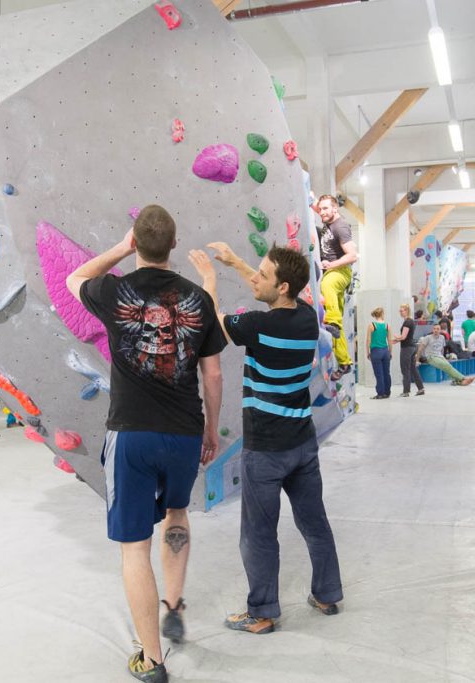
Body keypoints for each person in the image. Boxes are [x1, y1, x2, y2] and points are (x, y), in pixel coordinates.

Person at [66, 205, 225, 683]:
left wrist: (119, 248)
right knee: (176, 515)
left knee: (134, 547)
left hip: (131, 434)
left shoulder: (115, 291)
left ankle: (152, 661)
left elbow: (75, 277)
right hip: (183, 432)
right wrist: (211, 429)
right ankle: (173, 602)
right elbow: (213, 374)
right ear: (174, 245)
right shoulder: (198, 299)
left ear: (137, 243)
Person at [188, 241, 342, 635]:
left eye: (264, 274)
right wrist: (236, 261)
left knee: (258, 533)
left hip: (266, 450)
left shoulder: (259, 326)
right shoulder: (306, 317)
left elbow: (213, 320)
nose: (256, 280)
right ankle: (327, 594)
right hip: (303, 445)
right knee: (315, 523)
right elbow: (265, 288)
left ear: (284, 287)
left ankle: (262, 613)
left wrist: (210, 277)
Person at [315, 194, 358, 380]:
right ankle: (345, 362)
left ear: (335, 209)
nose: (322, 212)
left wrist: (331, 265)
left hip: (340, 272)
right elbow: (316, 206)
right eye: (320, 209)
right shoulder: (327, 220)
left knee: (327, 284)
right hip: (334, 271)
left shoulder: (340, 227)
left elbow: (352, 255)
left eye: (326, 209)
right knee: (336, 327)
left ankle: (332, 322)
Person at [394, 304, 424, 397]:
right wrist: (396, 340)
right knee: (413, 368)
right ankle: (421, 388)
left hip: (407, 348)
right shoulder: (410, 321)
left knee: (405, 369)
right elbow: (406, 337)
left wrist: (395, 338)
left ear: (407, 311)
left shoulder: (407, 322)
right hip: (411, 347)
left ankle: (406, 391)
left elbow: (403, 336)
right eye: (400, 310)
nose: (400, 312)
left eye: (402, 310)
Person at [366, 307, 392, 399]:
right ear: (382, 314)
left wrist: (367, 352)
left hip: (376, 351)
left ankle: (380, 393)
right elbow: (389, 340)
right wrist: (390, 352)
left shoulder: (372, 325)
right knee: (386, 373)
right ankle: (387, 392)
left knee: (379, 373)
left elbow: (368, 340)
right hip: (385, 351)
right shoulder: (387, 325)